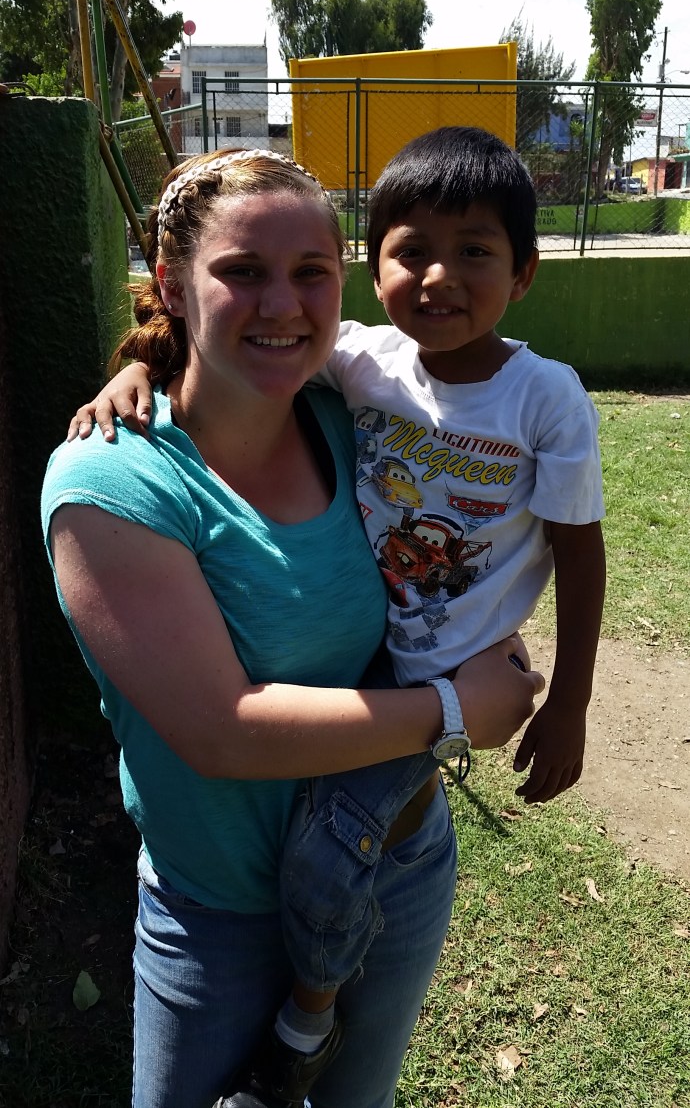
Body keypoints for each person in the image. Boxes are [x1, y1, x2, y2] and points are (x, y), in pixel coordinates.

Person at [68, 129, 605, 1108]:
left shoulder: (334, 408)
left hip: (405, 857)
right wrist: (456, 706)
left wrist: (561, 697)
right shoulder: (121, 472)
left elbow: (563, 538)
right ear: (173, 280)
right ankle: (298, 1022)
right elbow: (221, 730)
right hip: (218, 907)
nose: (283, 303)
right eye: (242, 270)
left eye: (311, 272)